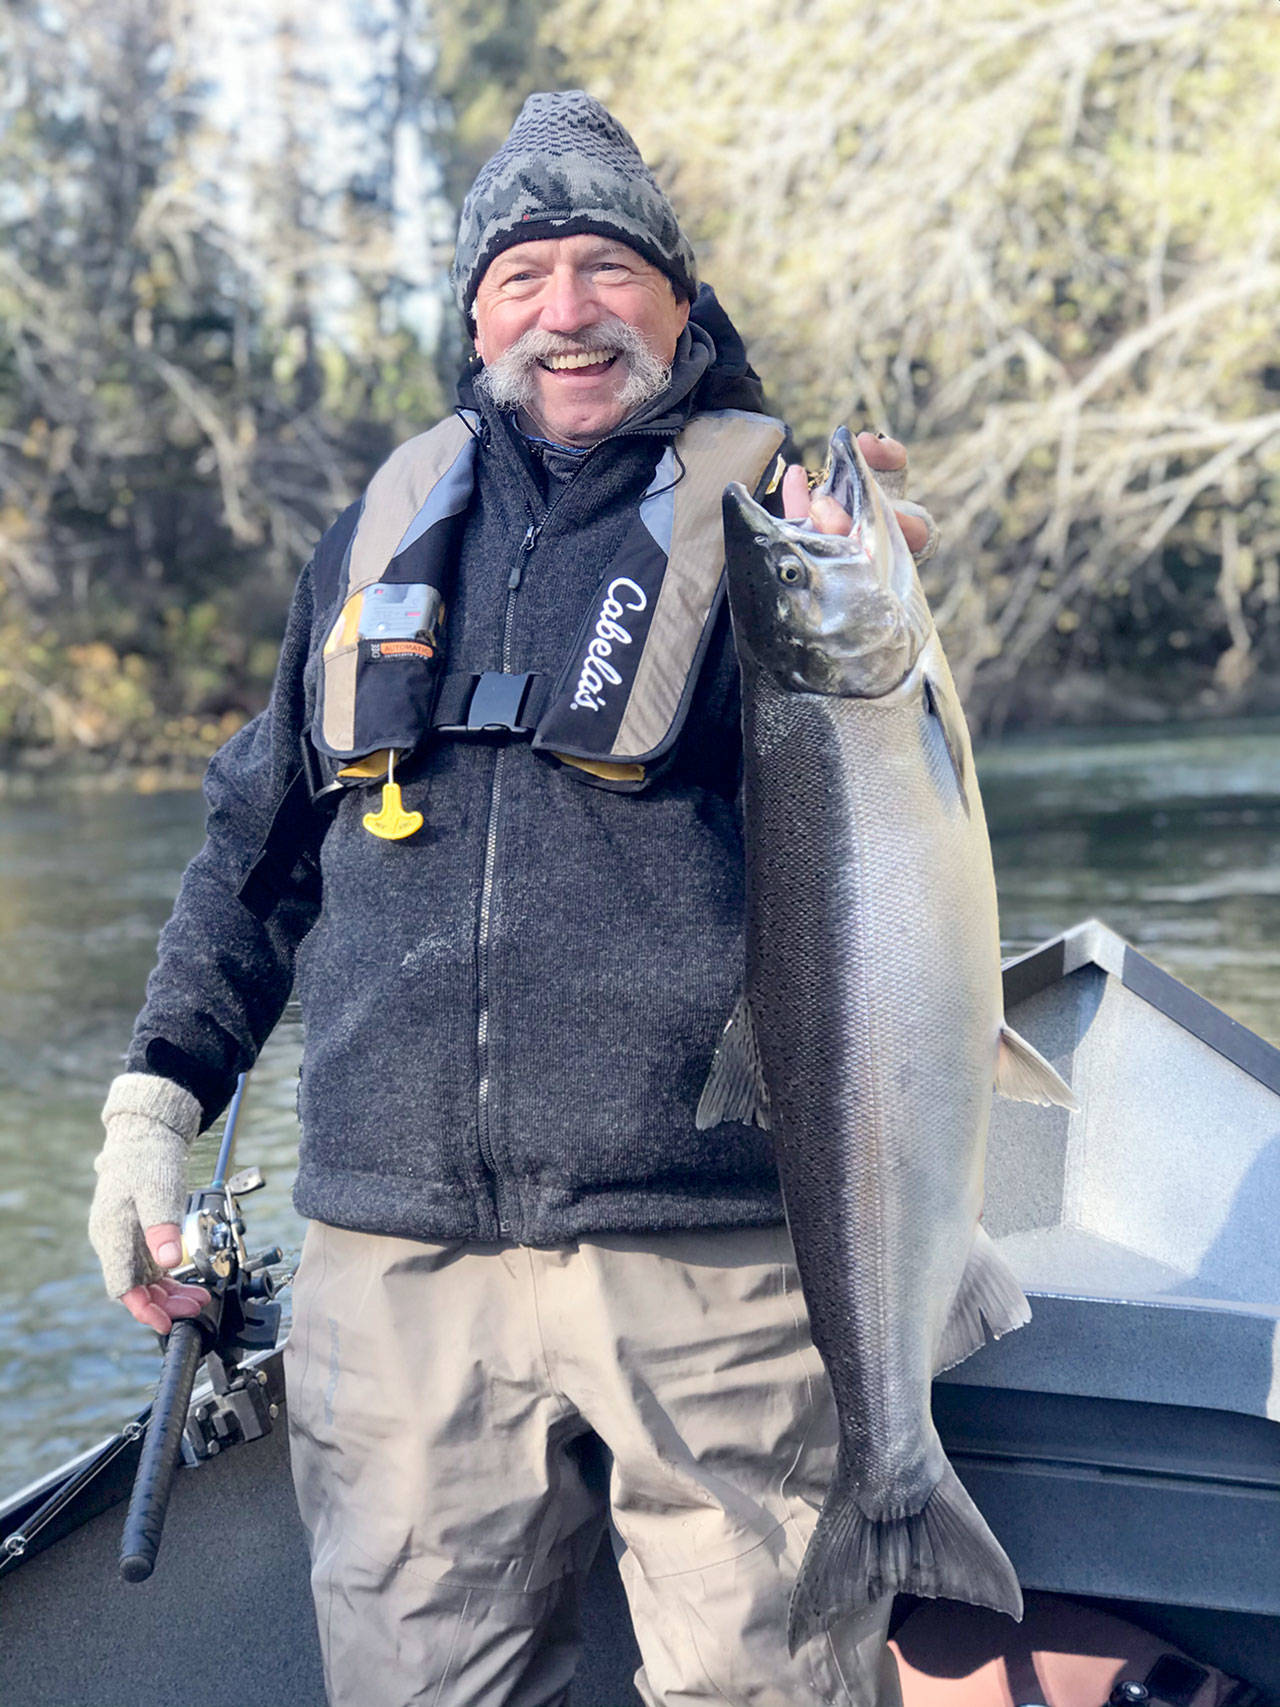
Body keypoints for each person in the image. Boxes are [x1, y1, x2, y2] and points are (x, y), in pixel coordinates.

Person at [89, 92, 937, 1707]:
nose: (567, 312)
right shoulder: (375, 532)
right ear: (475, 310)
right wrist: (153, 1108)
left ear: (678, 300)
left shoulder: (781, 522)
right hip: (394, 1266)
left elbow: (884, 857)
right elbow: (253, 852)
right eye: (523, 273)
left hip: (714, 1255)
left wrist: (890, 607)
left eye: (608, 267)